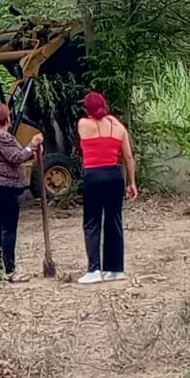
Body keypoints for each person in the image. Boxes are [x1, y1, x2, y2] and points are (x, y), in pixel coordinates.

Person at [77, 91, 136, 285]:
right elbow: (128, 157)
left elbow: (92, 124)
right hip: (114, 175)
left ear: (88, 109)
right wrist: (132, 182)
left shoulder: (83, 124)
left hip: (93, 176)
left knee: (92, 222)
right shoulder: (118, 127)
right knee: (114, 221)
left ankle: (94, 269)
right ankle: (116, 269)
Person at [0, 104, 42, 282]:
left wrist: (32, 151)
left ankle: (2, 267)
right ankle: (10, 270)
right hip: (4, 186)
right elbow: (16, 157)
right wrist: (32, 145)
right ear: (7, 118)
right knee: (9, 228)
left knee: (1, 227)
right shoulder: (2, 137)